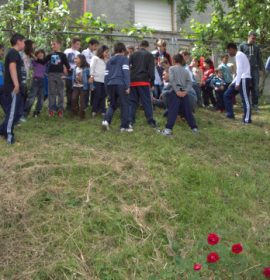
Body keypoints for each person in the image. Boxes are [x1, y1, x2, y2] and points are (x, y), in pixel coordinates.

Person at [159, 54, 198, 136]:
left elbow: (172, 80)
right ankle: (194, 128)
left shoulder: (171, 68)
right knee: (188, 111)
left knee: (173, 111)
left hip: (175, 92)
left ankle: (168, 130)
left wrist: (177, 91)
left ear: (174, 60)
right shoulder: (186, 70)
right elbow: (190, 82)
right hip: (184, 92)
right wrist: (185, 91)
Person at [0, 33, 25, 144]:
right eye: (23, 41)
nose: (24, 44)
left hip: (15, 88)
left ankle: (2, 130)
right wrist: (16, 84)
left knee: (18, 113)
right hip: (12, 88)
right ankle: (9, 135)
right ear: (18, 41)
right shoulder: (13, 53)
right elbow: (12, 68)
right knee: (12, 113)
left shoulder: (14, 53)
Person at [102, 42, 131, 132]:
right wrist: (128, 86)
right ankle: (124, 127)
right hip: (121, 84)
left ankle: (106, 121)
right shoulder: (124, 59)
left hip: (110, 84)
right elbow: (126, 73)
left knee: (112, 104)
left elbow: (106, 76)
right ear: (122, 50)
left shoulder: (109, 60)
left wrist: (106, 88)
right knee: (124, 105)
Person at [129, 40, 157, 128]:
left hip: (133, 81)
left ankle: (130, 121)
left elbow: (129, 67)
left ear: (139, 45)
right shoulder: (149, 55)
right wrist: (152, 84)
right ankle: (150, 121)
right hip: (144, 81)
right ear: (147, 46)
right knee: (147, 102)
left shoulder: (133, 54)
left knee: (133, 101)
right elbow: (152, 72)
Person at [224, 43, 252, 124]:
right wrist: (233, 82)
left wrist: (237, 83)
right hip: (240, 79)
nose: (229, 53)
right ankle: (230, 115)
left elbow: (240, 70)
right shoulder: (238, 55)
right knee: (227, 95)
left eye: (229, 51)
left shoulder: (239, 55)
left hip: (243, 79)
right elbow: (238, 71)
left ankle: (247, 120)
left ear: (232, 49)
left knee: (245, 100)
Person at [45, 39, 70, 117]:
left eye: (54, 44)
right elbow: (43, 62)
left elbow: (67, 65)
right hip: (51, 75)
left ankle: (60, 109)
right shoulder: (50, 55)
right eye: (52, 45)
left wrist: (66, 74)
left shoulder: (62, 55)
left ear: (59, 45)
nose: (53, 46)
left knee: (60, 92)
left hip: (60, 75)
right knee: (51, 92)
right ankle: (51, 109)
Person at [240, 31, 264, 111]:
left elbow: (259, 58)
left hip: (255, 70)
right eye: (252, 38)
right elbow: (239, 58)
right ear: (248, 36)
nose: (254, 40)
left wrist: (261, 69)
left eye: (255, 39)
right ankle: (244, 103)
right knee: (245, 87)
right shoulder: (242, 45)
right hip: (245, 70)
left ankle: (255, 104)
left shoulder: (256, 47)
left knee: (255, 87)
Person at [23, 49, 46, 118]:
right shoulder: (34, 61)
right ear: (36, 55)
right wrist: (32, 55)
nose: (40, 54)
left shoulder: (45, 62)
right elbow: (29, 63)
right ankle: (25, 113)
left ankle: (36, 112)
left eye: (42, 53)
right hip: (35, 80)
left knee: (41, 99)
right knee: (31, 97)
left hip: (43, 80)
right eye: (38, 53)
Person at [90, 45, 109, 117]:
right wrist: (91, 76)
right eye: (106, 52)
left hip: (104, 80)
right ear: (101, 51)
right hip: (97, 80)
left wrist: (106, 59)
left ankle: (103, 110)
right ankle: (94, 110)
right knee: (97, 95)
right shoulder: (95, 58)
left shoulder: (106, 60)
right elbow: (92, 67)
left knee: (104, 95)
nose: (107, 54)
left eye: (107, 52)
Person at [64, 37, 81, 111]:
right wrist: (64, 69)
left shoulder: (78, 53)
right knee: (69, 89)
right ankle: (69, 106)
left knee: (76, 89)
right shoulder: (67, 51)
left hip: (76, 73)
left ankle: (75, 106)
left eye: (79, 44)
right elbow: (63, 61)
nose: (78, 46)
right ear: (73, 44)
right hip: (68, 72)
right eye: (77, 44)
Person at [71, 54, 90, 120]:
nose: (75, 60)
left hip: (83, 87)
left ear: (81, 60)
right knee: (73, 98)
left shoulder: (86, 69)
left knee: (82, 102)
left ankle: (82, 115)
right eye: (75, 58)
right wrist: (65, 77)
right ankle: (75, 112)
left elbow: (90, 77)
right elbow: (73, 78)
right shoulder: (75, 68)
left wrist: (92, 86)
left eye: (77, 58)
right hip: (75, 86)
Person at [82, 38, 99, 107]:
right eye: (95, 45)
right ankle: (85, 105)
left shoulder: (95, 53)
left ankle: (92, 105)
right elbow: (86, 62)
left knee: (93, 89)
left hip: (93, 73)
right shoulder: (85, 52)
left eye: (96, 46)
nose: (96, 47)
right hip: (86, 72)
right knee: (86, 89)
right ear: (90, 45)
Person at [0, 44, 5, 113]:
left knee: (6, 103)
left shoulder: (1, 63)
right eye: (2, 50)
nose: (3, 52)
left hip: (2, 87)